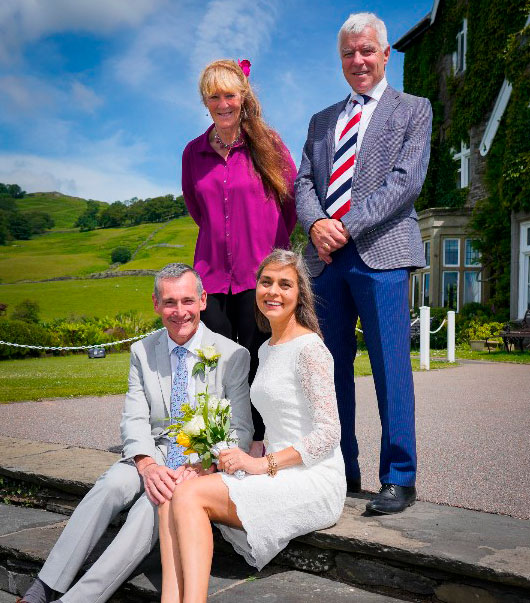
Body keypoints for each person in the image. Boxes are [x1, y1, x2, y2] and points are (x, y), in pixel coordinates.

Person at [18, 263, 253, 603]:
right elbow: (134, 418)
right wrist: (146, 464)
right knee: (111, 485)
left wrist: (207, 465)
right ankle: (45, 586)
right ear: (156, 304)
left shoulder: (232, 355)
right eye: (169, 302)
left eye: (188, 301)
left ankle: (78, 600)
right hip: (153, 452)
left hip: (198, 464)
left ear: (203, 300)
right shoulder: (142, 352)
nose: (179, 312)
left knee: (151, 506)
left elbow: (240, 429)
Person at [295, 12, 432, 514]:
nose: (358, 60)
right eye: (349, 53)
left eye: (366, 50)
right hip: (325, 261)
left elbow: (404, 182)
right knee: (328, 372)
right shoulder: (321, 120)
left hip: (383, 255)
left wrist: (344, 224)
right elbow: (304, 182)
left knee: (391, 368)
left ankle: (399, 477)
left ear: (385, 53)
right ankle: (340, 469)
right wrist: (315, 225)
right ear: (341, 59)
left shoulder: (414, 110)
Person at [158, 249, 346, 603]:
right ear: (256, 288)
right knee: (173, 492)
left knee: (190, 494)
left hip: (313, 478)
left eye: (285, 284)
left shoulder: (310, 349)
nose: (273, 291)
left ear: (300, 294)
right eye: (266, 282)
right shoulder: (268, 348)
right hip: (275, 469)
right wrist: (235, 452)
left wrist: (261, 464)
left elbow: (327, 434)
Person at [181, 58, 298, 450]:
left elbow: (291, 202)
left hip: (257, 276)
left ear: (243, 97)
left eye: (229, 95)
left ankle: (259, 444)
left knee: (256, 360)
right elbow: (198, 210)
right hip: (211, 276)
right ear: (205, 102)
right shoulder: (193, 153)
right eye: (214, 96)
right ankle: (218, 443)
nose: (223, 103)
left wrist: (269, 251)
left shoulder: (269, 144)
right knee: (215, 365)